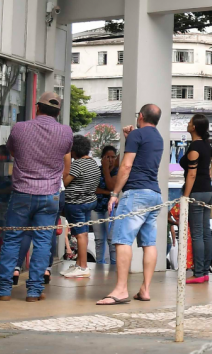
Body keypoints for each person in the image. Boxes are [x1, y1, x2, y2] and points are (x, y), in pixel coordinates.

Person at [0, 92, 72, 302]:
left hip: (22, 193)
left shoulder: (20, 128)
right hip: (50, 194)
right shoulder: (65, 132)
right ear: (58, 112)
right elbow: (64, 158)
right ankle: (34, 292)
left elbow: (13, 152)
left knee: (12, 240)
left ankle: (3, 290)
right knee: (43, 243)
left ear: (37, 107)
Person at [96, 104, 164, 305]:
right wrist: (131, 138)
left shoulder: (137, 136)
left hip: (136, 194)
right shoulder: (157, 137)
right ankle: (145, 289)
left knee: (122, 240)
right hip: (154, 194)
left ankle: (121, 290)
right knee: (149, 243)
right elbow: (143, 158)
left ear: (140, 116)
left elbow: (126, 166)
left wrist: (114, 193)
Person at [180, 114, 212, 284]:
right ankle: (204, 271)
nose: (188, 124)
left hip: (196, 193)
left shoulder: (195, 148)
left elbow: (191, 174)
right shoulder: (206, 145)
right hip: (209, 192)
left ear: (194, 127)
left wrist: (185, 196)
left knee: (197, 234)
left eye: (190, 122)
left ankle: (198, 273)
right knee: (205, 232)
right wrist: (210, 171)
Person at [60, 135, 101, 278]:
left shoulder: (77, 164)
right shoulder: (93, 163)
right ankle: (79, 264)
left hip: (76, 203)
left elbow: (65, 182)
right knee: (82, 233)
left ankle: (83, 267)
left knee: (80, 234)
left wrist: (65, 167)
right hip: (89, 202)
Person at [92, 146, 119, 264]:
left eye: (113, 157)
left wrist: (106, 170)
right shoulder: (96, 170)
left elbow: (111, 187)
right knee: (99, 240)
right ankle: (99, 264)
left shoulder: (116, 171)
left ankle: (113, 266)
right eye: (107, 157)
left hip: (110, 209)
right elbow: (92, 189)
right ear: (102, 158)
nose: (110, 160)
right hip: (96, 208)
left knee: (111, 239)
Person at [168, 202, 194, 270]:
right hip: (189, 235)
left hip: (189, 235)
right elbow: (168, 216)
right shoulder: (182, 203)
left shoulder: (181, 203)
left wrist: (176, 223)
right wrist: (176, 223)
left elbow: (168, 216)